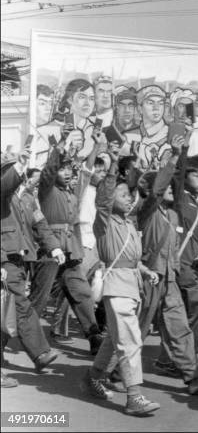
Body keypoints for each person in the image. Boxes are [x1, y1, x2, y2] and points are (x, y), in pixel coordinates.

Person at [136, 133, 198, 393]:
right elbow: (162, 186)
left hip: (169, 277)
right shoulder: (148, 210)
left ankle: (193, 377)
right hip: (150, 277)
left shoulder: (173, 214)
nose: (175, 190)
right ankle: (104, 371)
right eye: (169, 188)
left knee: (179, 327)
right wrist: (175, 154)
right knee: (136, 331)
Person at [82, 143, 160, 416]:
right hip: (116, 286)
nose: (130, 198)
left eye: (131, 195)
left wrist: (144, 270)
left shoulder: (129, 221)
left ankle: (94, 375)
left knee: (115, 339)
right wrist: (114, 167)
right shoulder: (104, 220)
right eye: (124, 194)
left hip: (132, 284)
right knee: (130, 341)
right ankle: (134, 397)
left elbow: (131, 258)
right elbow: (103, 197)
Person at [38, 136, 102, 354]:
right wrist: (59, 149)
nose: (67, 173)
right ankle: (13, 338)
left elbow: (86, 172)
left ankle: (93, 335)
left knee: (82, 291)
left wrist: (96, 147)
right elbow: (47, 172)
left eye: (69, 170)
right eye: (62, 169)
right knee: (39, 298)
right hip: (50, 249)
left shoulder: (72, 194)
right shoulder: (46, 190)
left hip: (71, 250)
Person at [1, 146, 60, 382]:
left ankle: (37, 354)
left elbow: (40, 223)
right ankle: (40, 353)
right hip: (5, 260)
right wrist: (17, 164)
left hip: (21, 259)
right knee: (20, 306)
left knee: (7, 311)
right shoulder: (4, 192)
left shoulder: (25, 198)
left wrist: (54, 246)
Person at [124, 85, 170, 168]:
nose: (156, 108)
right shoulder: (128, 137)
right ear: (140, 108)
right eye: (151, 103)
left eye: (160, 103)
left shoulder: (171, 134)